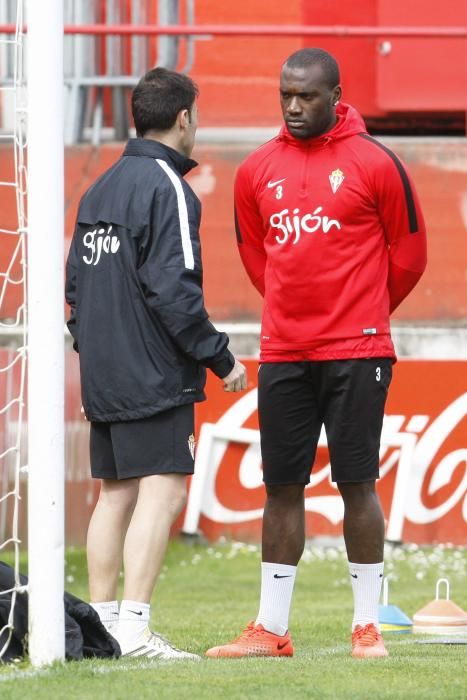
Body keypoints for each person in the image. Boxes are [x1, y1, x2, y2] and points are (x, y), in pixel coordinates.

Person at [206, 48, 426, 660]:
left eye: (306, 96)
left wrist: (362, 313)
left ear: (336, 94)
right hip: (284, 352)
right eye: (285, 96)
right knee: (281, 487)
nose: (294, 106)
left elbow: (409, 256)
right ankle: (271, 630)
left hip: (358, 350)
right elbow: (258, 259)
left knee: (357, 483)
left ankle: (366, 627)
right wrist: (297, 311)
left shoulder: (377, 161)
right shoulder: (256, 169)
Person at [65, 67, 247, 660]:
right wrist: (219, 358)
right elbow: (174, 289)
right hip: (152, 371)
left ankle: (103, 625)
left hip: (103, 370)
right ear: (184, 118)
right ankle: (136, 631)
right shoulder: (168, 186)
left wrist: (91, 348)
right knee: (163, 490)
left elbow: (75, 286)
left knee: (114, 493)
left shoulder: (99, 185)